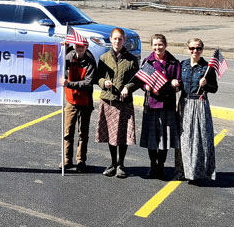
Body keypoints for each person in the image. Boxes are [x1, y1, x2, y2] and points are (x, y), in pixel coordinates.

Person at [96, 28, 139, 178]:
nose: (117, 41)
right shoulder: (103, 58)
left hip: (124, 102)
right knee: (111, 134)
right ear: (110, 39)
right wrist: (103, 82)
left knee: (122, 134)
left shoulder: (132, 59)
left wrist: (128, 87)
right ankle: (113, 163)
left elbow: (137, 80)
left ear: (124, 40)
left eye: (120, 39)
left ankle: (121, 164)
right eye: (115, 38)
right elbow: (98, 77)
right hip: (108, 100)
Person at [138, 34, 181, 180]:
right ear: (152, 46)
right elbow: (141, 82)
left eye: (160, 45)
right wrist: (147, 87)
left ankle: (161, 165)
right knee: (152, 138)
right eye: (155, 45)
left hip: (167, 105)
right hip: (151, 105)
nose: (158, 48)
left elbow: (178, 82)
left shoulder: (174, 63)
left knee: (164, 139)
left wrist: (176, 84)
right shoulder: (147, 62)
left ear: (166, 45)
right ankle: (153, 165)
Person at [175, 38, 218, 183]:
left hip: (199, 104)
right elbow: (180, 85)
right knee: (183, 139)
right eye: (192, 48)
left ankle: (197, 172)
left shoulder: (207, 68)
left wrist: (206, 85)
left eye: (198, 48)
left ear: (202, 50)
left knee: (199, 139)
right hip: (184, 103)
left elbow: (215, 89)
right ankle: (182, 171)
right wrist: (175, 85)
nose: (195, 51)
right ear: (188, 49)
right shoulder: (183, 65)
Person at [59, 35, 96, 173]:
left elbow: (87, 83)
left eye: (82, 46)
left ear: (86, 47)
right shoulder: (69, 56)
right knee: (68, 132)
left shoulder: (90, 62)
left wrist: (69, 84)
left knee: (83, 133)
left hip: (85, 102)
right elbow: (59, 62)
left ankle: (81, 160)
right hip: (71, 101)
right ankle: (67, 159)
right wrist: (64, 47)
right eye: (76, 46)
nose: (79, 48)